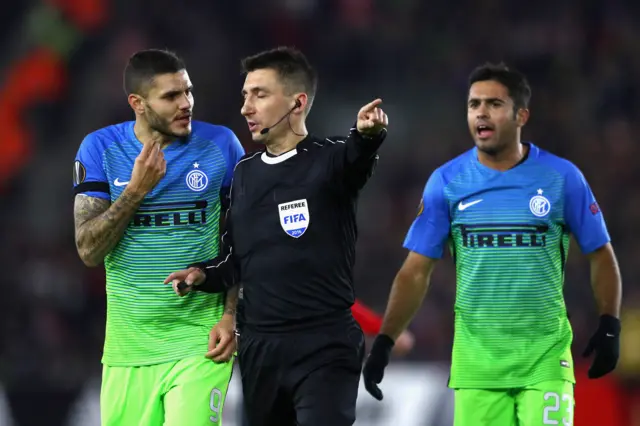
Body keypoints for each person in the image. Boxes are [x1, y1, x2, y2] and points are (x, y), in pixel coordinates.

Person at [362, 62, 622, 426]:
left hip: (544, 361)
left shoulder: (562, 178)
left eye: (494, 104)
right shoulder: (447, 182)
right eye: (473, 104)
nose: (481, 112)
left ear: (521, 115)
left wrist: (610, 324)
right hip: (476, 369)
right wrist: (386, 342)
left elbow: (600, 254)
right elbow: (415, 272)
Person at [164, 46, 388, 426]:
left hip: (324, 346)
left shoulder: (329, 159)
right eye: (245, 96)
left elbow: (356, 159)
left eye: (260, 95)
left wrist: (368, 137)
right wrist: (202, 275)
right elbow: (234, 258)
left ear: (297, 103)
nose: (246, 108)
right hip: (260, 349)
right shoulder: (245, 175)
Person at [72, 49, 244, 426]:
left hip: (200, 340)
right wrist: (135, 192)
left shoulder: (222, 146)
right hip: (127, 349)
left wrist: (232, 315)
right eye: (171, 96)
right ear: (138, 103)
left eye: (188, 91)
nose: (186, 104)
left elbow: (242, 239)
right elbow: (88, 250)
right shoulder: (101, 148)